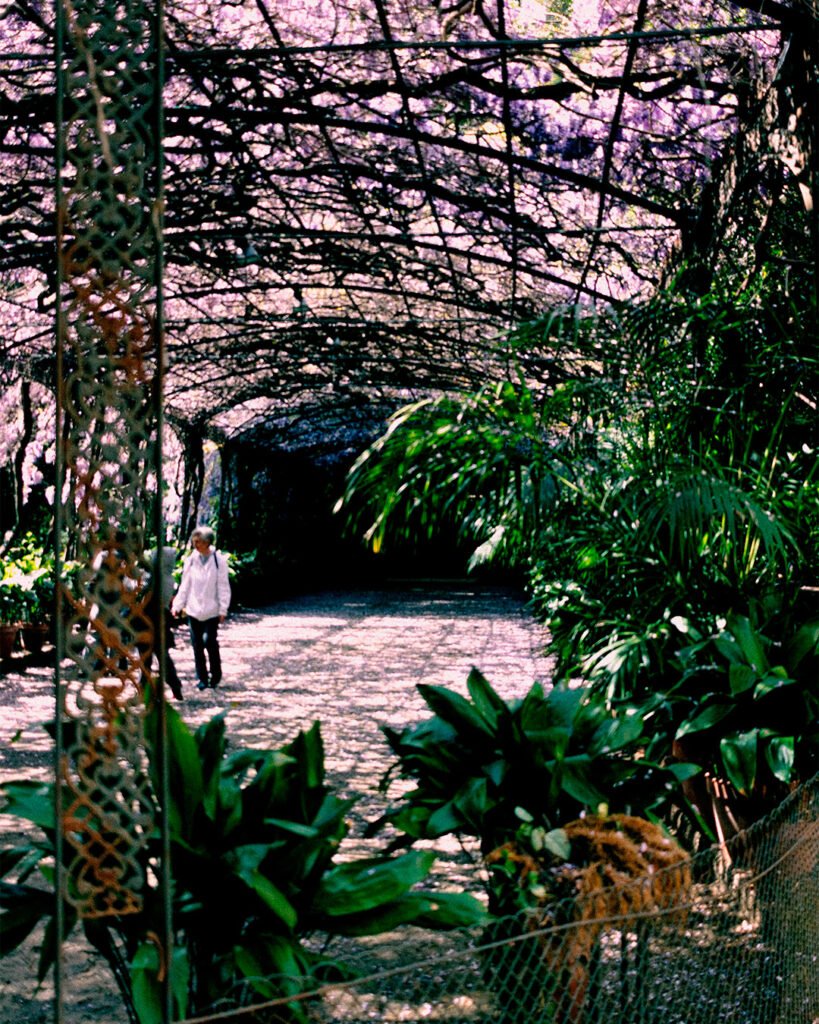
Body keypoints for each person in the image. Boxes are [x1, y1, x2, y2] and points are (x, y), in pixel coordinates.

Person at [171, 525, 231, 691]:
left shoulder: (219, 561)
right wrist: (177, 605)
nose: (196, 545)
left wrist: (223, 609)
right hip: (193, 609)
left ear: (207, 542)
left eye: (199, 542)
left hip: (212, 609)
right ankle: (202, 678)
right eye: (195, 541)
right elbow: (185, 584)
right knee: (197, 645)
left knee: (209, 641)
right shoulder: (191, 560)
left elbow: (223, 586)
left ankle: (216, 674)